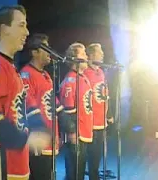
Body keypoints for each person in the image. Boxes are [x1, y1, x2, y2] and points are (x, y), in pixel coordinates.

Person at [0, 6, 50, 180]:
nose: (27, 32)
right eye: (21, 25)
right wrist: (28, 139)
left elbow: (25, 106)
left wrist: (39, 127)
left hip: (16, 162)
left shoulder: (11, 68)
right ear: (4, 30)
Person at [19, 33, 71, 180]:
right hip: (38, 142)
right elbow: (29, 105)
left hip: (50, 140)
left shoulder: (46, 75)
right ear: (35, 52)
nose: (50, 52)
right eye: (45, 48)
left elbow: (52, 100)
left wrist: (63, 122)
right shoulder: (26, 75)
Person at [59, 42, 94, 180]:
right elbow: (67, 110)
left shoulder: (82, 77)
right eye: (83, 53)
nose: (86, 56)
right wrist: (72, 131)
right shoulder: (70, 80)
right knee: (74, 173)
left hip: (84, 131)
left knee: (80, 172)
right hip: (76, 135)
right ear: (74, 58)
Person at [84, 43, 114, 180]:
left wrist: (108, 114)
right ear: (90, 55)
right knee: (87, 157)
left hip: (102, 122)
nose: (102, 54)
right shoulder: (85, 73)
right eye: (99, 52)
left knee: (96, 158)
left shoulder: (101, 72)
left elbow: (104, 94)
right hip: (90, 123)